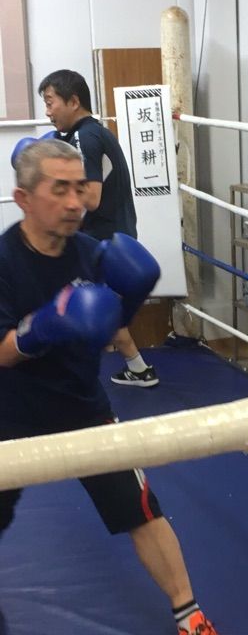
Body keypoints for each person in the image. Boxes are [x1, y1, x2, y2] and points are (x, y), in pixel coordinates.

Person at [2, 138, 217, 635]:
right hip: (9, 410)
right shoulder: (3, 262)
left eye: (80, 187)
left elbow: (106, 325)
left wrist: (127, 302)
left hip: (81, 404)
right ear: (24, 199)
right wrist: (45, 325)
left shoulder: (91, 253)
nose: (75, 202)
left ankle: (189, 614)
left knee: (140, 508)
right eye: (60, 189)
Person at [37, 68, 158, 388]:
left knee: (72, 298)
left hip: (101, 238)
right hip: (113, 234)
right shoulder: (92, 133)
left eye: (50, 102)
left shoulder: (84, 137)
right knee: (98, 305)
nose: (47, 112)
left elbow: (90, 198)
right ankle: (137, 368)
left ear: (73, 101)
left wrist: (52, 196)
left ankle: (75, 368)